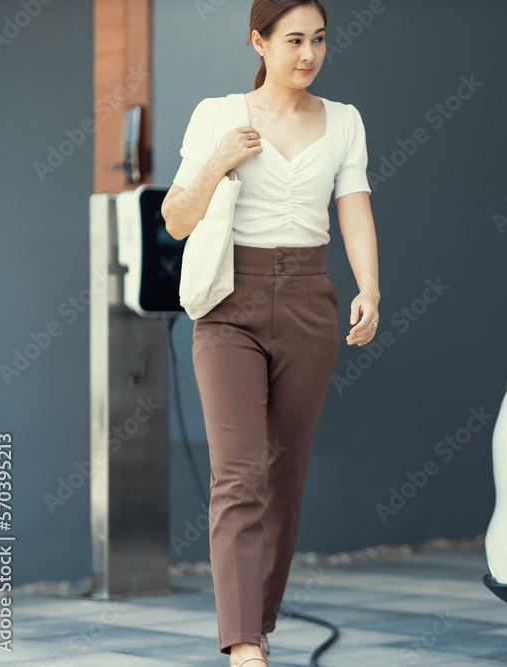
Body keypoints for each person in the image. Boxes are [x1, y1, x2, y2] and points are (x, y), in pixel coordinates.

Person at [160, 1, 380, 665]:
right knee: (238, 474)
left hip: (311, 301)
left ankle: (258, 622)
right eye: (292, 40)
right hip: (230, 302)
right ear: (258, 41)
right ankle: (242, 644)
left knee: (285, 474)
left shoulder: (344, 122)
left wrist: (370, 287)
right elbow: (174, 219)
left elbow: (356, 210)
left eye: (318, 40)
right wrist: (217, 162)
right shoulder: (217, 115)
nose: (308, 54)